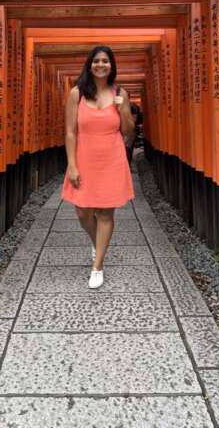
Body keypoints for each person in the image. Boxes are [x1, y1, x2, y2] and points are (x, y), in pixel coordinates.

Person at [61, 45, 135, 289]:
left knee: (105, 213)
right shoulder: (77, 94)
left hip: (111, 158)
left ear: (112, 66)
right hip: (84, 157)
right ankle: (98, 243)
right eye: (96, 61)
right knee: (83, 212)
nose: (100, 65)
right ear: (89, 64)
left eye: (105, 61)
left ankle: (98, 266)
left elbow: (128, 132)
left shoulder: (120, 92)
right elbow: (71, 132)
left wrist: (124, 108)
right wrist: (72, 164)